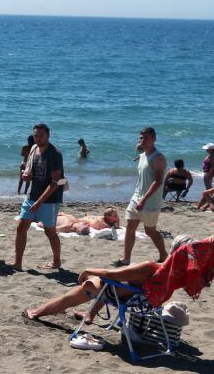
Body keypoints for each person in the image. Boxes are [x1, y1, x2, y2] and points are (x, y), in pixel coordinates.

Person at [23, 234, 196, 322]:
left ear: (172, 248)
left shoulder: (150, 267)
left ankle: (36, 313)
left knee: (89, 286)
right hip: (144, 301)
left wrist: (87, 270)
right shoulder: (179, 275)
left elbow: (112, 275)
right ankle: (89, 315)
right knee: (112, 284)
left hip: (124, 296)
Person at [12, 124, 63, 271]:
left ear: (48, 136)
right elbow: (35, 173)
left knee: (50, 231)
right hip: (32, 196)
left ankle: (56, 261)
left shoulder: (55, 154)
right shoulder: (34, 149)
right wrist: (28, 177)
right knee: (21, 227)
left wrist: (39, 203)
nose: (38, 138)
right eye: (36, 135)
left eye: (41, 135)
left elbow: (55, 182)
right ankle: (18, 263)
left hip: (49, 199)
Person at [117, 127, 167, 267]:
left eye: (146, 138)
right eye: (141, 138)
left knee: (150, 231)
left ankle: (163, 254)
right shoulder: (143, 155)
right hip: (136, 197)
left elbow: (158, 181)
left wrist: (144, 199)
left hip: (150, 201)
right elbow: (140, 151)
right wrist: (140, 148)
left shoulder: (158, 158)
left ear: (154, 139)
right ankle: (126, 259)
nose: (143, 140)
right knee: (130, 226)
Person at [55, 208, 119, 235]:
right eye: (115, 215)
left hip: (89, 218)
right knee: (73, 221)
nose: (117, 217)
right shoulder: (102, 223)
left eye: (116, 215)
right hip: (85, 220)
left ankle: (63, 214)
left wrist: (116, 220)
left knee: (74, 220)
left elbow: (116, 225)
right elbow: (115, 226)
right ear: (108, 217)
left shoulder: (107, 219)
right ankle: (63, 214)